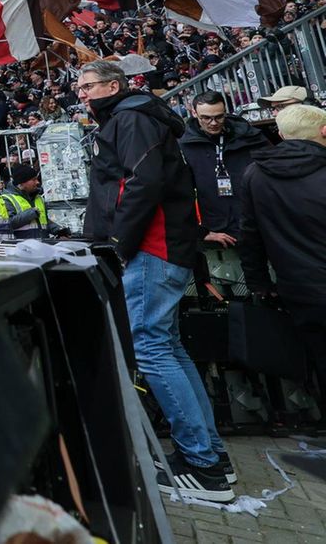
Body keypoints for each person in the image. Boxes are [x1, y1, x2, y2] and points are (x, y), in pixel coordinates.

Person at [77, 60, 231, 502]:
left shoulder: (130, 118)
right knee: (167, 346)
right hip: (162, 248)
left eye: (89, 86)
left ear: (114, 85)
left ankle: (203, 468)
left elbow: (140, 183)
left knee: (152, 346)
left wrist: (117, 242)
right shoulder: (137, 117)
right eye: (80, 87)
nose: (82, 94)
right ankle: (212, 457)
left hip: (152, 249)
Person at [238, 105, 326, 385]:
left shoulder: (254, 174)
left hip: (299, 289)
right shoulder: (256, 174)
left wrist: (259, 284)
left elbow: (250, 237)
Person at [179, 91, 269, 249]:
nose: (213, 123)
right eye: (206, 118)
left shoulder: (250, 136)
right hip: (219, 229)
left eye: (219, 117)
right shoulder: (184, 144)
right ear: (194, 113)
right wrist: (200, 232)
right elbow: (178, 193)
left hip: (260, 223)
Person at [1, 165, 69, 240]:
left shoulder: (38, 198)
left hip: (42, 246)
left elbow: (44, 222)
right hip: (22, 247)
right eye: (33, 180)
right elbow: (8, 223)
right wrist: (31, 213)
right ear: (22, 183)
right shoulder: (7, 199)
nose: (37, 182)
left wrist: (59, 230)